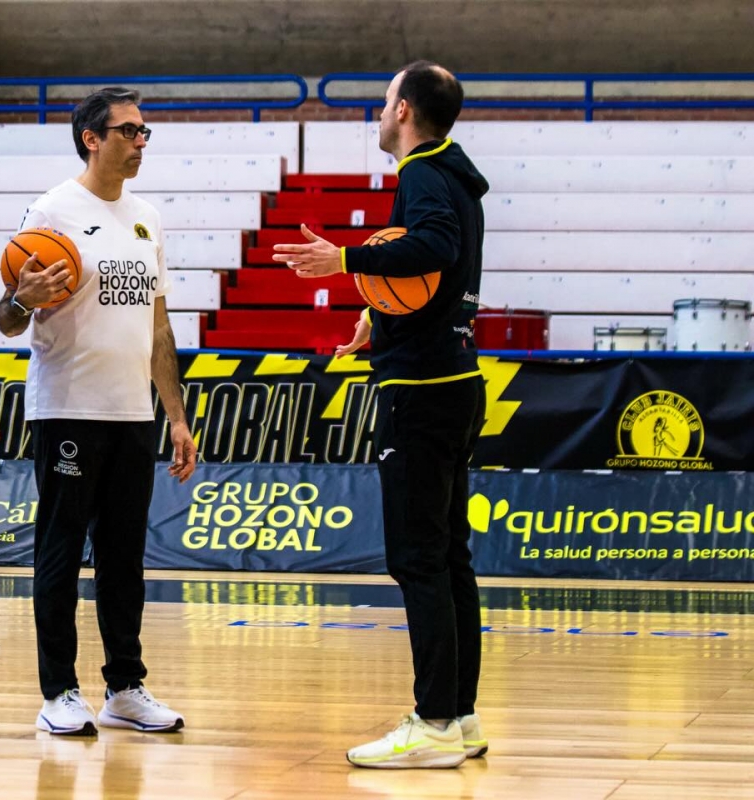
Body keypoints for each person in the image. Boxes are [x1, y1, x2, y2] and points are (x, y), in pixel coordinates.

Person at [273, 62, 490, 769]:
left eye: (383, 101)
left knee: (418, 558)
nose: (377, 112)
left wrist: (341, 258)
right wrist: (380, 312)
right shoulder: (456, 173)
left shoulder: (424, 172)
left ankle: (431, 723)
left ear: (404, 110)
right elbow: (435, 278)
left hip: (423, 392)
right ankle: (458, 715)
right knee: (449, 558)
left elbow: (432, 249)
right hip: (454, 378)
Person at [0, 87, 197, 736]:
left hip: (132, 416)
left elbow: (158, 326)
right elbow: (5, 318)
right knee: (59, 553)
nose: (141, 142)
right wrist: (21, 299)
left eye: (145, 133)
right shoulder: (50, 212)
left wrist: (177, 416)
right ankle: (58, 691)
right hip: (67, 413)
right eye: (130, 131)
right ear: (92, 137)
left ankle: (125, 687)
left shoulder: (148, 217)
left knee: (124, 558)